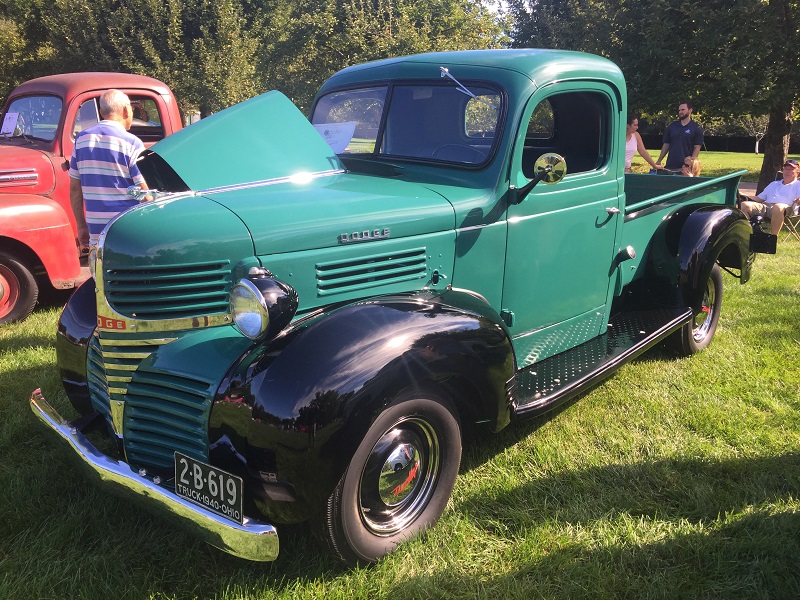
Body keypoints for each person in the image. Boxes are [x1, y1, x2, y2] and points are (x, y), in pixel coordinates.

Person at [69, 89, 149, 255]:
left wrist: (81, 225)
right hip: (127, 231)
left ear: (101, 111)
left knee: (99, 270)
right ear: (126, 111)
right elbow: (145, 194)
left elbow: (75, 188)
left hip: (96, 234)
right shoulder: (132, 143)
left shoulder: (81, 140)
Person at [739, 159, 800, 235]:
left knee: (778, 207)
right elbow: (759, 198)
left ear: (797, 172)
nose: (787, 171)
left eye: (791, 169)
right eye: (785, 169)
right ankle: (749, 234)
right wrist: (743, 195)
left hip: (787, 208)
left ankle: (773, 237)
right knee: (744, 205)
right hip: (767, 206)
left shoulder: (798, 185)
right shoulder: (774, 184)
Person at [655, 101, 704, 171]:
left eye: (683, 110)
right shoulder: (672, 126)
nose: (680, 112)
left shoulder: (696, 128)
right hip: (670, 166)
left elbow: (697, 148)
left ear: (690, 110)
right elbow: (666, 144)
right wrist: (659, 160)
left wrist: (691, 164)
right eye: (679, 110)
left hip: (685, 167)